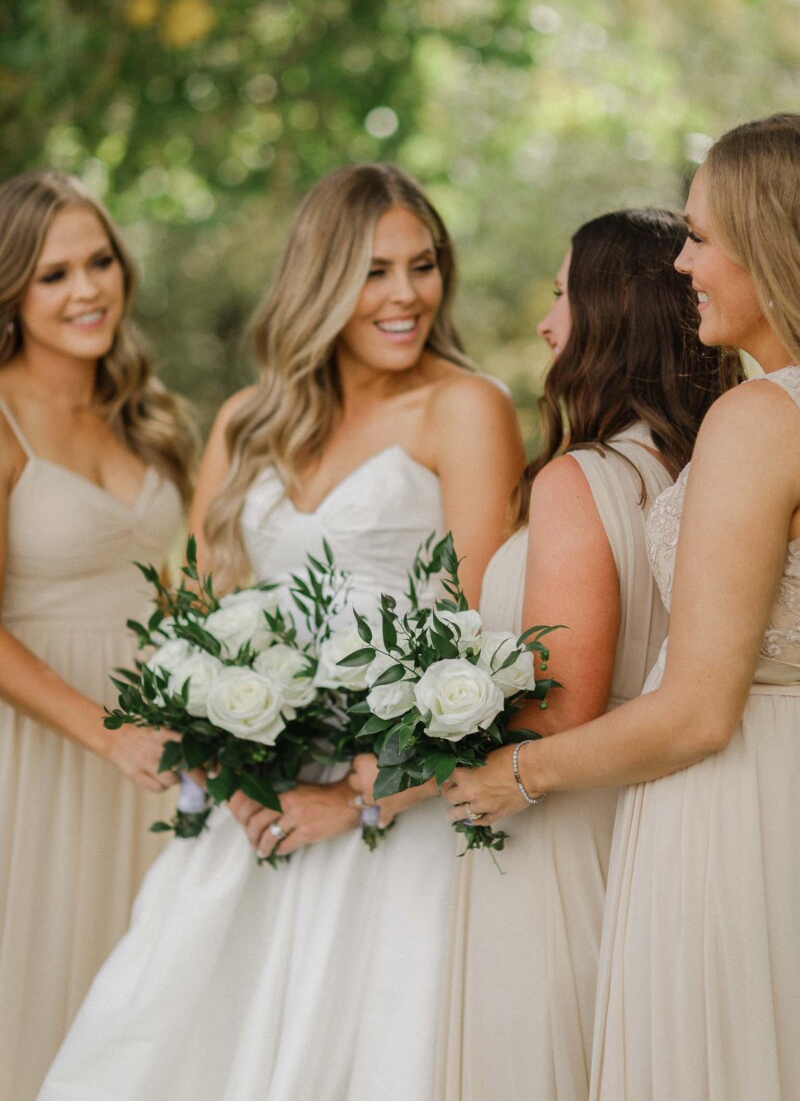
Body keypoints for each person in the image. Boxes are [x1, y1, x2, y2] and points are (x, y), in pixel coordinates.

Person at [39, 162, 525, 1101]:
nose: (406, 295)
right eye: (374, 271)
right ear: (320, 280)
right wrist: (224, 754)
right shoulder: (249, 421)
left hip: (388, 814)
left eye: (422, 266)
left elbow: (476, 642)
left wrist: (361, 797)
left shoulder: (466, 407)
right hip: (251, 807)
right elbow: (187, 617)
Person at [445, 113, 800, 1101]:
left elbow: (693, 711)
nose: (681, 264)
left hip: (739, 810)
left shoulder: (760, 420)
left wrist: (516, 770)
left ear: (771, 243)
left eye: (699, 236)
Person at [0, 171, 195, 1100]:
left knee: (140, 1006)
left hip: (156, 751)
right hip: (39, 747)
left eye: (100, 261)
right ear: (11, 290)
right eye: (53, 275)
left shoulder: (150, 416)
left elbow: (184, 591)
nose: (88, 290)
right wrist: (104, 731)